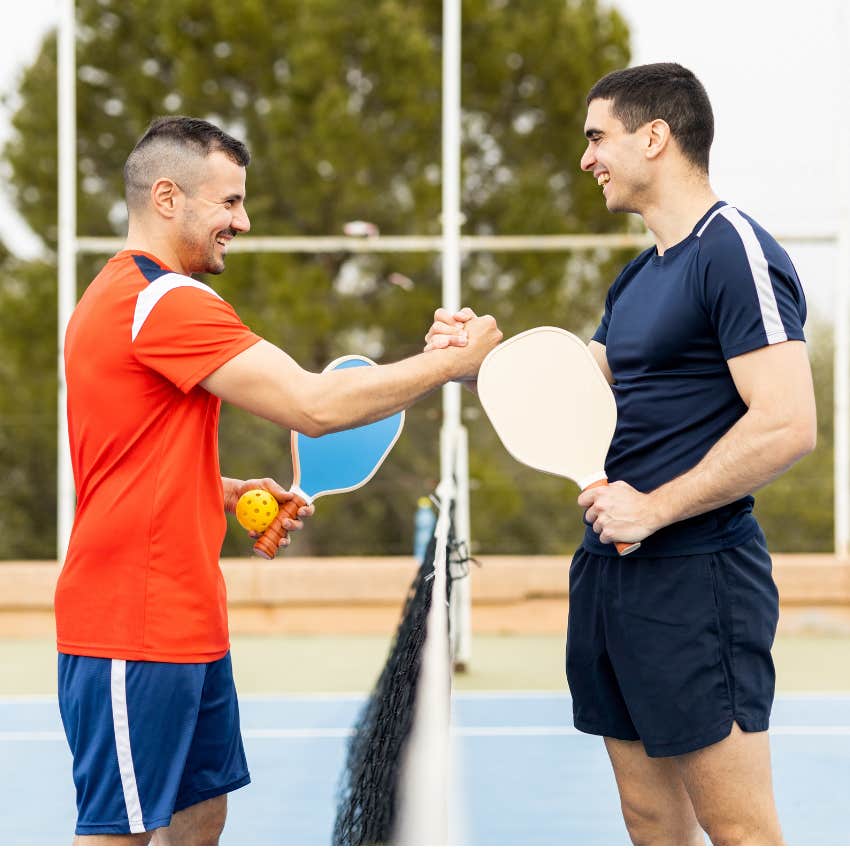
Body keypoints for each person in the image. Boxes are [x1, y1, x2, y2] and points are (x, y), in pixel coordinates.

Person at [56, 115, 502, 845]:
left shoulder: (116, 298)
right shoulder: (162, 301)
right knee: (120, 837)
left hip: (187, 620)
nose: (244, 219)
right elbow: (314, 406)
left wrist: (222, 491)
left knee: (202, 818)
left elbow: (127, 453)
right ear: (167, 198)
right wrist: (449, 366)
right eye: (228, 202)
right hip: (130, 626)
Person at [426, 63, 816, 845]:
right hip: (612, 574)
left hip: (700, 577)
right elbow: (580, 384)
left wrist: (655, 505)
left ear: (654, 136)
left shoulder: (732, 250)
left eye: (597, 137)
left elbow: (788, 423)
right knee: (648, 822)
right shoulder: (640, 274)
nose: (587, 157)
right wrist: (478, 364)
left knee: (740, 830)